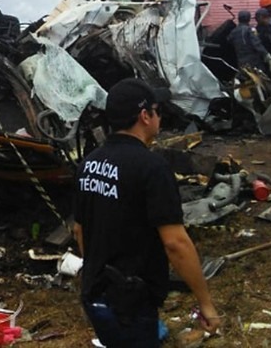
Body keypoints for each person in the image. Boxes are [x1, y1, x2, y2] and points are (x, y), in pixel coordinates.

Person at [74, 78, 219, 346]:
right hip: (130, 299)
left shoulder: (89, 164)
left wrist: (98, 274)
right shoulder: (152, 168)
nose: (159, 117)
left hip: (96, 294)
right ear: (145, 116)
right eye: (157, 110)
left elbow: (80, 229)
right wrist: (205, 302)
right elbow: (175, 243)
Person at [227, 10, 271, 75]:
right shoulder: (250, 30)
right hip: (254, 62)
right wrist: (267, 56)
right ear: (248, 19)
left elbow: (229, 41)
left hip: (241, 62)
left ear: (239, 19)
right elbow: (257, 44)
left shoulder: (234, 32)